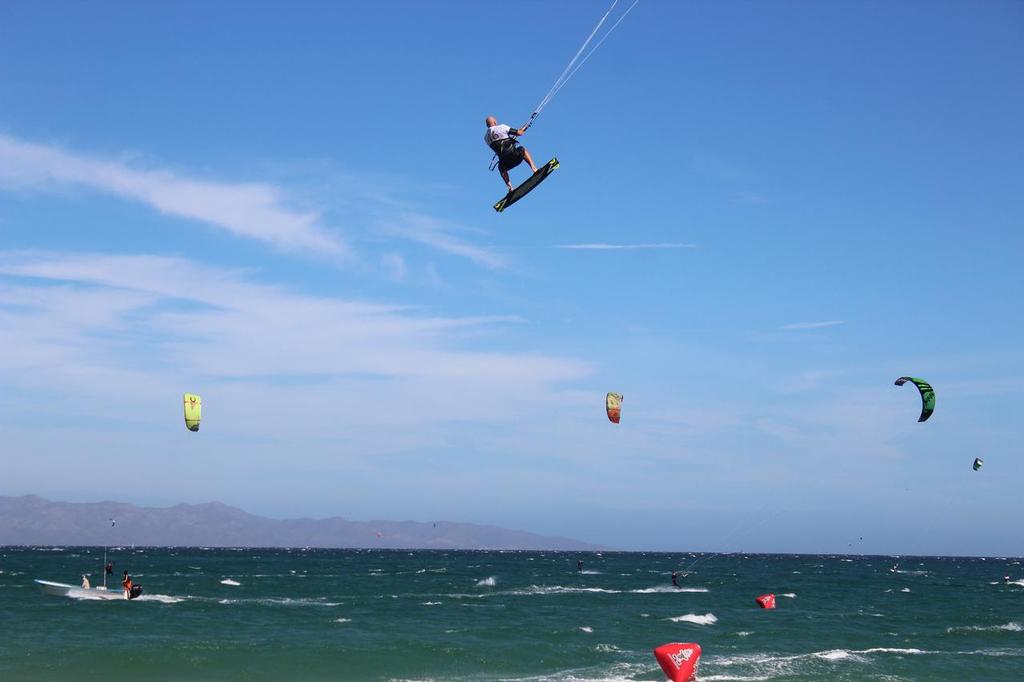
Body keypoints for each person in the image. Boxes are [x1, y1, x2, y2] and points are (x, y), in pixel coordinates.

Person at [484, 116, 539, 192]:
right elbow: (519, 133)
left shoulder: (486, 138)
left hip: (506, 163)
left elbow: (499, 140)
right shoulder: (502, 127)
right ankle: (534, 169)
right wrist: (524, 128)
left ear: (487, 125)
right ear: (495, 122)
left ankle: (510, 187)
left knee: (500, 168)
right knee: (522, 149)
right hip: (515, 156)